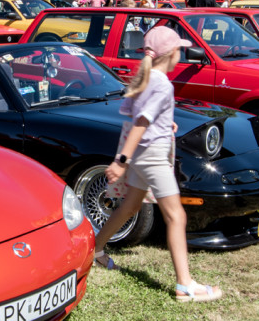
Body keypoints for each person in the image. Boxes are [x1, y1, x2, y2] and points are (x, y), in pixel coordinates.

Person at [92, 26, 223, 302]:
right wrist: (120, 161)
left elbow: (142, 115)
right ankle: (185, 285)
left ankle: (95, 249)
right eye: (180, 50)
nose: (181, 55)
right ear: (171, 53)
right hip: (151, 154)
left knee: (130, 206)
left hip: (144, 152)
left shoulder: (148, 77)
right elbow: (141, 122)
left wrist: (166, 122)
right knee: (176, 216)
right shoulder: (161, 82)